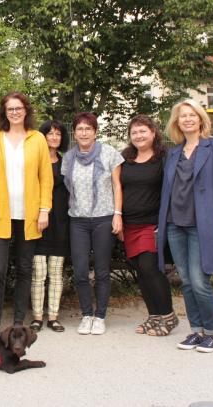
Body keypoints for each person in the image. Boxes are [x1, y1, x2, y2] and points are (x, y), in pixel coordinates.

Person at [157, 99, 213, 353]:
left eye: (192, 115)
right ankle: (196, 330)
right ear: (177, 123)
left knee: (200, 280)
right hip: (174, 223)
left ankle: (212, 331)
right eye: (183, 116)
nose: (188, 119)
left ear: (201, 118)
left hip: (202, 224)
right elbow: (168, 190)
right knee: (186, 281)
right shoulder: (173, 153)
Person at [0, 92, 53, 337]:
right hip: (0, 214)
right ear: (5, 112)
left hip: (30, 215)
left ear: (26, 110)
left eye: (19, 108)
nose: (14, 112)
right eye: (10, 109)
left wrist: (45, 209)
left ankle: (18, 324)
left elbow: (46, 177)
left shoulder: (38, 139)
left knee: (25, 268)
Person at [62, 112, 123, 336]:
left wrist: (118, 214)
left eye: (88, 128)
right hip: (77, 219)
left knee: (102, 270)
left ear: (95, 131)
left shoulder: (110, 154)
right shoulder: (68, 158)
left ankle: (100, 316)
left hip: (103, 217)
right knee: (79, 270)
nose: (84, 132)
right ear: (75, 132)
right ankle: (86, 314)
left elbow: (117, 185)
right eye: (80, 129)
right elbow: (69, 189)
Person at [120, 115, 178, 336]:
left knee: (150, 268)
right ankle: (154, 316)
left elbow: (172, 191)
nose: (138, 136)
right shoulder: (126, 158)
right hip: (129, 225)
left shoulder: (165, 158)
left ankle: (168, 316)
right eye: (134, 132)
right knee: (140, 272)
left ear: (153, 132)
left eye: (143, 131)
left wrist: (163, 223)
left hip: (151, 225)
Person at [29, 120, 70, 333]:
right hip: (38, 222)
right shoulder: (34, 161)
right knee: (39, 272)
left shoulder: (67, 163)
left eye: (58, 134)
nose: (53, 137)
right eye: (50, 133)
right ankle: (37, 317)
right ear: (42, 136)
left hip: (61, 223)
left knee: (56, 272)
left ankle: (53, 317)